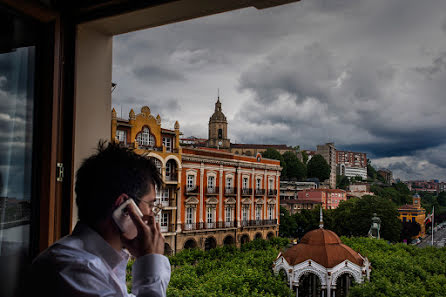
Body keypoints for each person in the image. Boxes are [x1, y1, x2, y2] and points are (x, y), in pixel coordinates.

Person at [31, 141, 170, 297]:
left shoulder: (92, 262)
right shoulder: (74, 270)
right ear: (125, 208)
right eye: (150, 205)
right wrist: (151, 260)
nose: (152, 216)